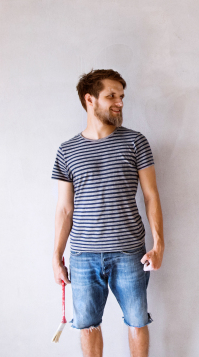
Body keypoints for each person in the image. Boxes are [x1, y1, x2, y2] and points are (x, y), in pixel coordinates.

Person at [51, 69, 164, 357]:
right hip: (83, 257)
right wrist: (56, 256)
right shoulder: (67, 151)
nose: (120, 102)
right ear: (90, 99)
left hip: (129, 253)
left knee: (137, 322)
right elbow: (65, 209)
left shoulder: (135, 142)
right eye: (111, 95)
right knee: (87, 325)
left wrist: (159, 244)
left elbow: (151, 196)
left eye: (121, 96)